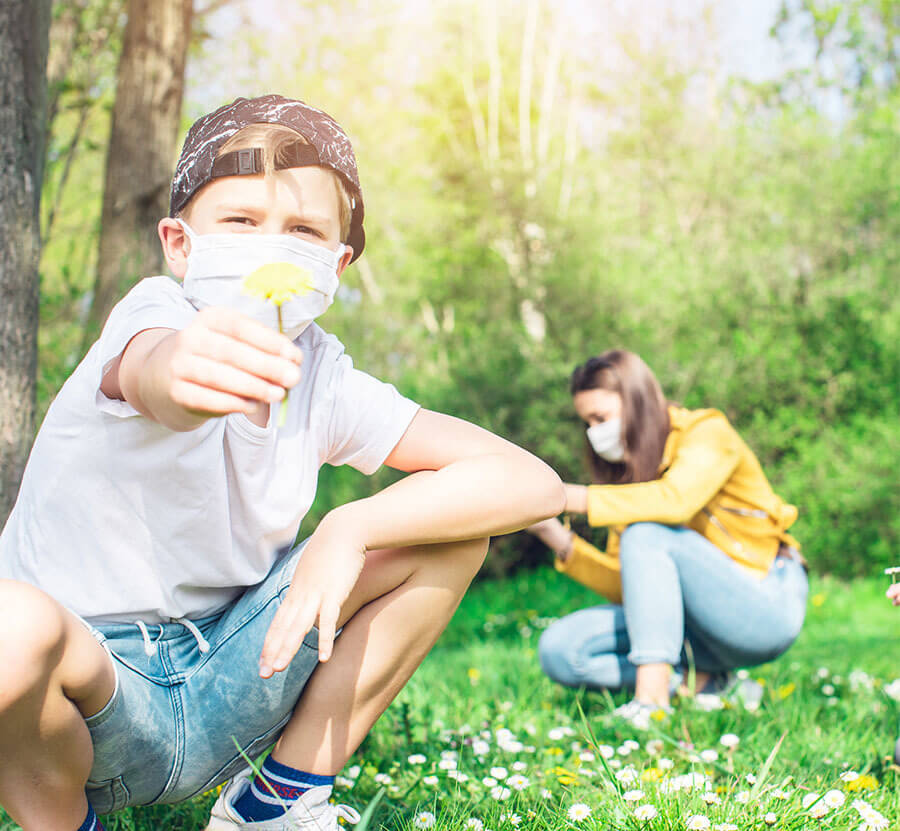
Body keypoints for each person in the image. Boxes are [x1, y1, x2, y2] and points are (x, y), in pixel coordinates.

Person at [0, 95, 565, 831]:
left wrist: (352, 525)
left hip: (236, 670)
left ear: (336, 262)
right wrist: (179, 377)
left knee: (449, 527)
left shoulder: (324, 375)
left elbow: (534, 482)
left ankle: (277, 802)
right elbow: (156, 374)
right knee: (9, 621)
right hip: (91, 699)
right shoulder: (153, 316)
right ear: (180, 243)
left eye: (301, 229)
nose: (270, 247)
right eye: (239, 221)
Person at [528, 349, 808, 723]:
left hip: (764, 604)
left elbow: (677, 501)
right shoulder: (627, 481)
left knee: (646, 532)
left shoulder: (707, 432)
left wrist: (566, 496)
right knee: (562, 650)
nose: (595, 432)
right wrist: (552, 534)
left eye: (601, 417)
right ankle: (709, 685)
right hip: (694, 626)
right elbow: (633, 588)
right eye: (587, 424)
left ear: (638, 401)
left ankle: (652, 702)